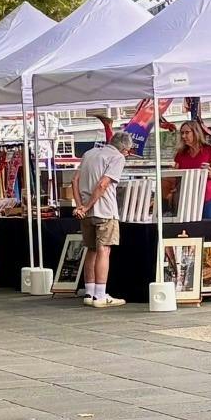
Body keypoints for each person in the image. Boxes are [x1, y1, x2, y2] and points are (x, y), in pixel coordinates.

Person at [74, 128, 131, 307]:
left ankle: (89, 293)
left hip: (86, 212)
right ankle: (100, 295)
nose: (127, 154)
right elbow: (103, 184)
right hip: (105, 210)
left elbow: (74, 180)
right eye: (128, 151)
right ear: (124, 149)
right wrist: (88, 206)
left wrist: (81, 206)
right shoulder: (117, 157)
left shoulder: (89, 154)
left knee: (91, 250)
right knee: (104, 250)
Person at [170, 115, 211, 216]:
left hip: (207, 197)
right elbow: (175, 178)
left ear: (196, 132)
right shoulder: (180, 154)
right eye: (182, 133)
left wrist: (209, 174)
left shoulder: (208, 149)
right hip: (187, 198)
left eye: (187, 132)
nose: (183, 136)